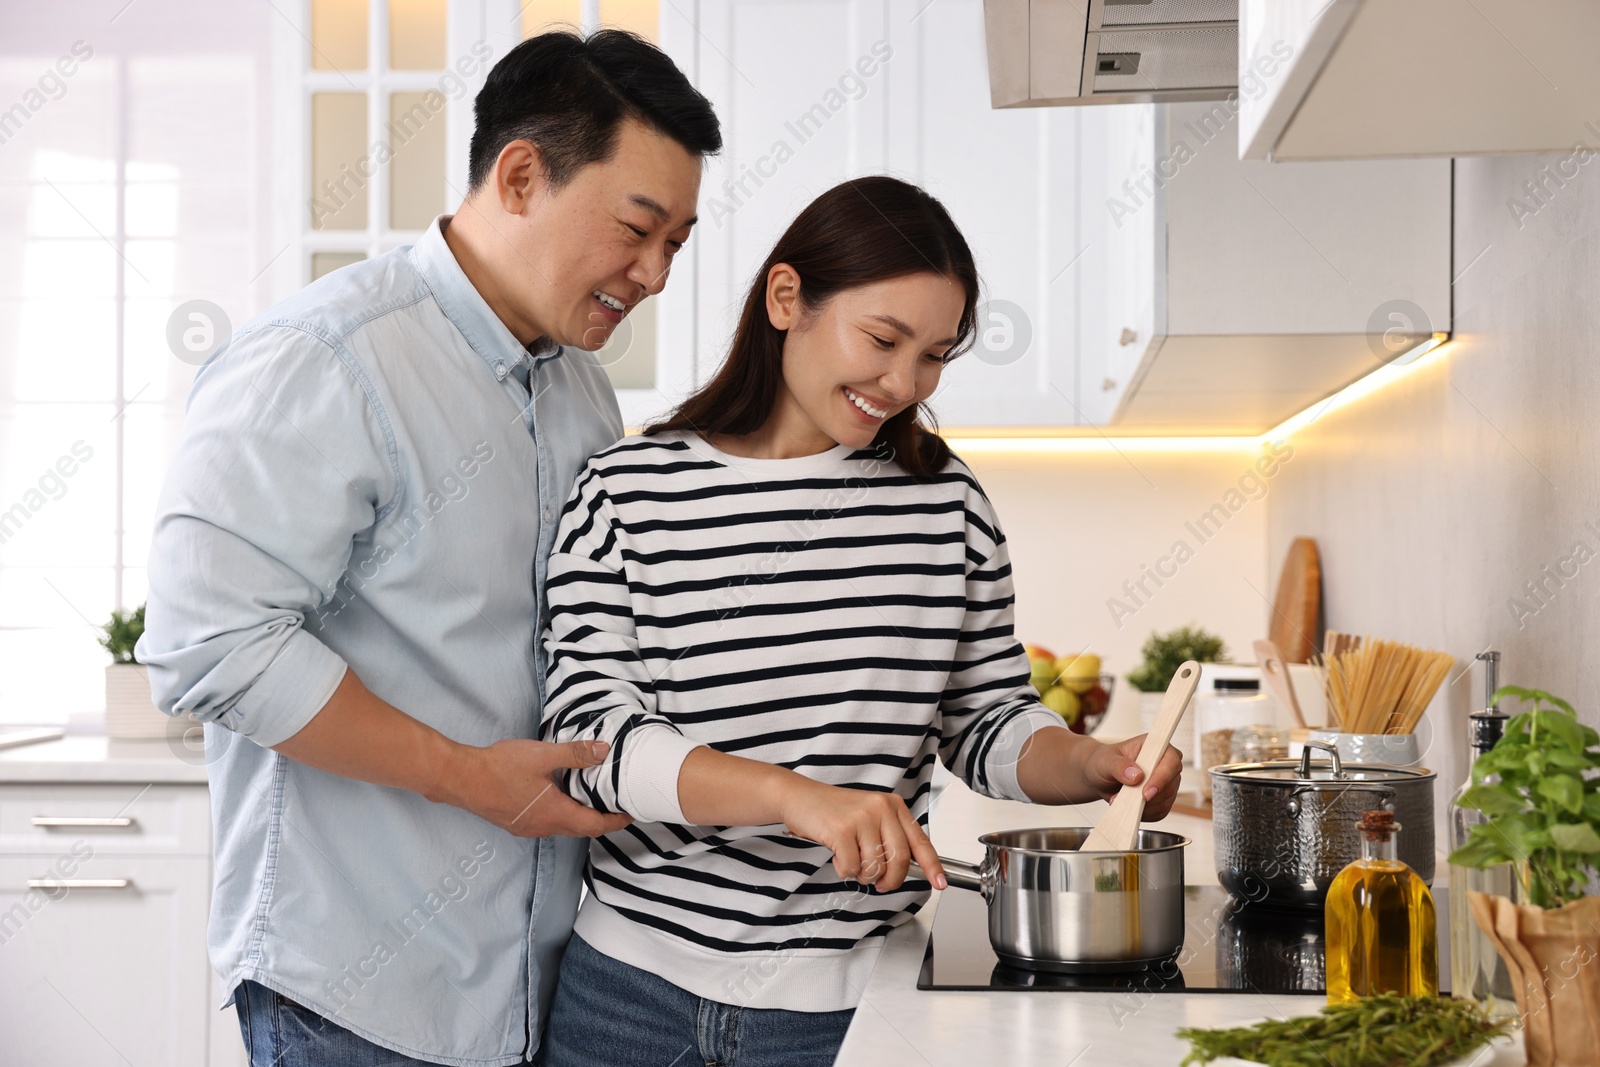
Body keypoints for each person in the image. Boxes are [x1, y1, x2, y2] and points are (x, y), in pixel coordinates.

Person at [136, 30, 720, 1067]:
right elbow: (206, 642)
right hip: (355, 991)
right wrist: (466, 775)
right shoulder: (322, 359)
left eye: (676, 243)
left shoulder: (578, 388)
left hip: (529, 981)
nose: (653, 273)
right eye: (637, 228)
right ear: (521, 174)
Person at [536, 176, 1184, 1067]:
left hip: (847, 1005)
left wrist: (1091, 762)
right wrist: (792, 796)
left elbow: (988, 719)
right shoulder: (628, 490)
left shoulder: (945, 505)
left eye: (934, 356)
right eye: (883, 339)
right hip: (628, 997)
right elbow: (588, 743)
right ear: (787, 297)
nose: (903, 382)